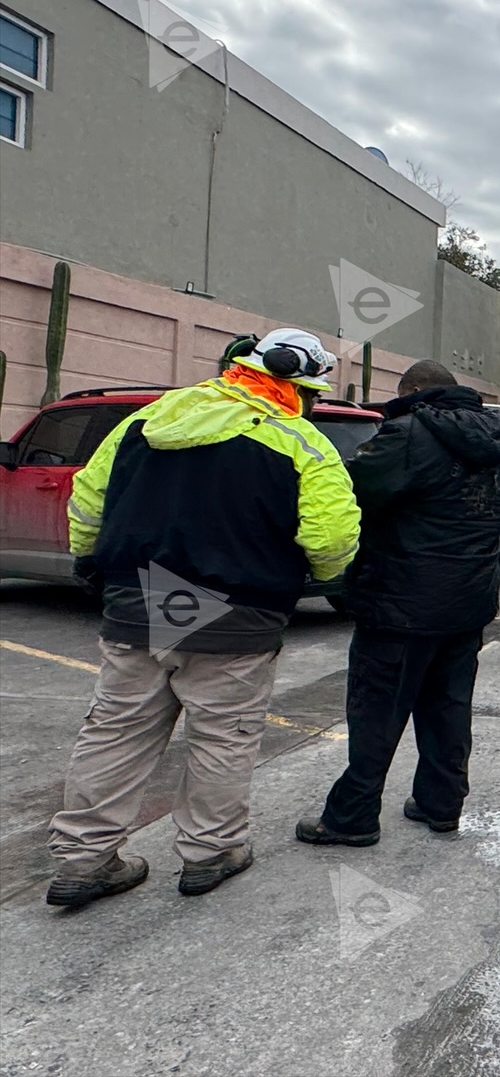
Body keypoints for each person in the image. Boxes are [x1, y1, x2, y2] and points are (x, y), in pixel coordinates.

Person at [47, 328, 359, 906]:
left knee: (115, 732)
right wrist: (323, 573)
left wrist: (88, 557)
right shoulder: (300, 441)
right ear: (298, 386)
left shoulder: (146, 420)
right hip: (236, 612)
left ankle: (83, 861)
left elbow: (89, 497)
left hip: (138, 598)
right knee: (223, 736)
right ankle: (210, 852)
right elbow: (332, 535)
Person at [297, 359, 500, 847]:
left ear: (412, 390)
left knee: (377, 710)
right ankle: (442, 804)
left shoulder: (407, 434)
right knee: (448, 705)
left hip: (401, 600)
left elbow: (354, 493)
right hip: (468, 600)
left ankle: (352, 816)